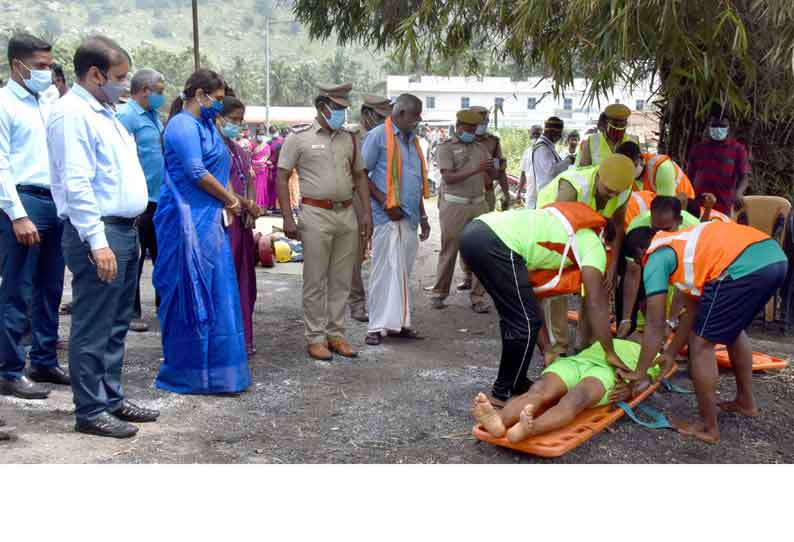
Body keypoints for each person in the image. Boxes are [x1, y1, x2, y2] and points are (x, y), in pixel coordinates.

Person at [48, 35, 159, 438]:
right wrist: (97, 241)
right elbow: (77, 185)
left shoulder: (107, 112)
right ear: (94, 74)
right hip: (99, 232)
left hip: (124, 229)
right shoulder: (72, 114)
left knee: (115, 323)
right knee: (93, 324)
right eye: (119, 77)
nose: (125, 85)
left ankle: (110, 397)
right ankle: (90, 409)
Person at [623, 221, 787, 444]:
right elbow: (692, 311)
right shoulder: (685, 247)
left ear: (640, 253)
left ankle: (707, 427)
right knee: (733, 330)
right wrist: (670, 352)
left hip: (743, 265)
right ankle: (746, 402)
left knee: (700, 343)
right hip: (773, 258)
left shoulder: (656, 256)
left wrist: (640, 372)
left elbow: (654, 323)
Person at [459, 202, 624, 405]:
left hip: (476, 232)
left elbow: (532, 302)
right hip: (495, 241)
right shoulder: (594, 245)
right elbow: (596, 302)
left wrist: (547, 348)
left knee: (518, 318)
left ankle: (517, 383)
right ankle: (500, 394)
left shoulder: (560, 233)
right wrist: (610, 352)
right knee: (524, 325)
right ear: (607, 241)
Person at [153, 69, 252, 395]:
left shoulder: (208, 125)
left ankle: (220, 372)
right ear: (199, 94)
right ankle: (187, 373)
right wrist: (230, 201)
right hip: (184, 221)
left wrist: (233, 201)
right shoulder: (182, 125)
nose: (219, 105)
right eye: (218, 99)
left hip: (211, 223)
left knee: (218, 294)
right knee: (187, 293)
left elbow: (218, 170)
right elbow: (195, 171)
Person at [276, 83, 373, 361]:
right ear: (322, 108)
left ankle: (336, 334)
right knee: (315, 279)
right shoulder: (299, 138)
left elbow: (360, 177)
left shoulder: (350, 139)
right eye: (338, 108)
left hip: (346, 214)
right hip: (315, 213)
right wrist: (287, 217)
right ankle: (315, 337)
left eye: (345, 108)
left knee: (342, 279)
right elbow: (282, 177)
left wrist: (365, 213)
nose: (342, 113)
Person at [0, 33, 69, 401]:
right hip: (24, 202)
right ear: (17, 66)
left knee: (51, 287)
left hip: (54, 201)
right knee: (18, 289)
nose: (47, 73)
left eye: (48, 65)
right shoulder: (3, 104)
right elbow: (1, 165)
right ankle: (10, 368)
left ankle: (43, 359)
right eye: (40, 67)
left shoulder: (48, 100)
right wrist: (17, 214)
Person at [536, 154, 635, 354]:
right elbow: (560, 230)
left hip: (589, 230)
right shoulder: (572, 186)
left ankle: (585, 345)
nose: (611, 196)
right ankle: (558, 347)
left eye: (616, 193)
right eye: (608, 191)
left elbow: (616, 227)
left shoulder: (622, 190)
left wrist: (612, 267)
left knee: (598, 285)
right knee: (558, 288)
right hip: (554, 228)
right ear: (598, 176)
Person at [472, 339, 662, 441]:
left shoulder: (656, 354)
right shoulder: (608, 338)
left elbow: (646, 381)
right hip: (577, 362)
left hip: (609, 371)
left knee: (576, 398)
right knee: (540, 389)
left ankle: (530, 428)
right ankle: (498, 421)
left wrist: (629, 390)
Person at [362, 94, 430, 346]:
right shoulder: (378, 136)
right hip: (386, 217)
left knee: (402, 274)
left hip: (409, 217)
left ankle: (399, 324)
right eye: (415, 115)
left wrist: (423, 216)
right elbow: (361, 174)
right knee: (383, 273)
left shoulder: (413, 141)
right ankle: (375, 327)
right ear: (400, 113)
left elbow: (414, 181)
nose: (418, 120)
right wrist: (383, 201)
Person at [116, 68, 166, 333]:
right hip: (138, 200)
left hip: (159, 198)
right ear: (144, 90)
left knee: (161, 256)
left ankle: (162, 305)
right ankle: (131, 311)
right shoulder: (125, 116)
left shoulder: (155, 116)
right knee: (134, 259)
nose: (162, 96)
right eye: (159, 91)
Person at [429, 109, 492, 313]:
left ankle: (478, 297)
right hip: (455, 205)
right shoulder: (446, 148)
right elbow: (448, 177)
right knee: (450, 249)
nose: (473, 132)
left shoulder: (481, 147)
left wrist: (495, 168)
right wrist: (477, 168)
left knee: (481, 251)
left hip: (479, 203)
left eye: (475, 128)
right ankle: (439, 293)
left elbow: (489, 172)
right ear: (459, 127)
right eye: (469, 128)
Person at [616, 195, 700, 338]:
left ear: (679, 221)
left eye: (666, 229)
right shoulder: (637, 228)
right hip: (650, 260)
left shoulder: (693, 231)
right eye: (656, 229)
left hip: (691, 269)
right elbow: (633, 274)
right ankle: (637, 331)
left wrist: (671, 321)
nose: (661, 235)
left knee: (694, 318)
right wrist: (626, 318)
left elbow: (684, 286)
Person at [217, 96, 262, 356]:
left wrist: (252, 205)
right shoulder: (214, 149)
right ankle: (228, 341)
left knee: (246, 282)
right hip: (225, 223)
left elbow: (250, 179)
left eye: (239, 120)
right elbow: (222, 185)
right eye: (232, 119)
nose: (236, 124)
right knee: (227, 281)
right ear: (219, 119)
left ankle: (244, 337)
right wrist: (246, 204)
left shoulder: (238, 149)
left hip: (243, 224)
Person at [348, 94, 392, 323]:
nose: (386, 120)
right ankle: (356, 302)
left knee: (376, 253)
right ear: (367, 115)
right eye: (380, 116)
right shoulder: (352, 136)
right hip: (357, 197)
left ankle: (379, 302)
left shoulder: (390, 135)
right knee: (355, 252)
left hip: (381, 200)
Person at [686, 107, 750, 215]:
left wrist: (739, 193)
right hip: (699, 203)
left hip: (724, 205)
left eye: (722, 126)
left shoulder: (738, 149)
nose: (718, 129)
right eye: (715, 125)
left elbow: (744, 176)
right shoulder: (698, 149)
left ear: (728, 127)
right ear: (709, 127)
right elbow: (689, 176)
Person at [517, 116, 572, 209]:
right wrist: (568, 160)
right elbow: (551, 170)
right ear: (551, 132)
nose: (560, 137)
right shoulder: (542, 148)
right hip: (542, 195)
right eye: (559, 134)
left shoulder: (547, 146)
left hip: (546, 194)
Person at [616, 140, 695, 198]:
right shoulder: (623, 175)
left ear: (641, 159)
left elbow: (667, 207)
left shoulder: (662, 167)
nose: (628, 172)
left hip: (687, 212)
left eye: (632, 166)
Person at [251, 127, 272, 209]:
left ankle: (262, 207)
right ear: (256, 134)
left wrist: (264, 162)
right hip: (253, 170)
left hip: (263, 171)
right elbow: (248, 157)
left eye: (262, 134)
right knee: (253, 187)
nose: (261, 136)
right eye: (259, 134)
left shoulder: (266, 146)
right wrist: (254, 164)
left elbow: (267, 156)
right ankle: (253, 206)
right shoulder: (252, 144)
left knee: (262, 187)